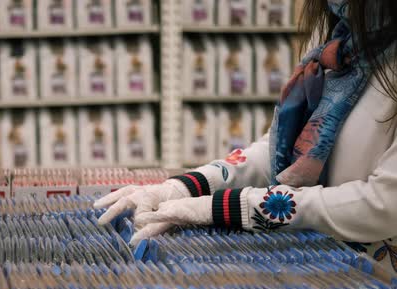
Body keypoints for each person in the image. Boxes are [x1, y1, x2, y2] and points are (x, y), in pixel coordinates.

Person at [95, 0, 397, 273]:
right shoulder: (340, 37)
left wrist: (235, 207)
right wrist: (184, 187)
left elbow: (384, 204)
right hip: (317, 272)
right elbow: (279, 151)